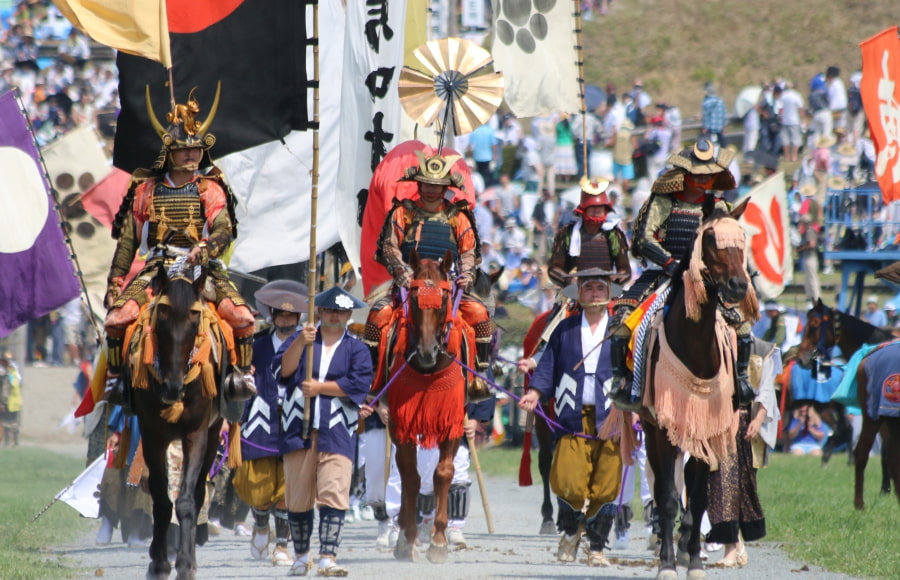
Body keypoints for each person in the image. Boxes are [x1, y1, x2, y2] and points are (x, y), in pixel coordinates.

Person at [103, 87, 256, 401]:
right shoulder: (145, 190)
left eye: (197, 150)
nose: (192, 156)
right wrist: (116, 281)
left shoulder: (210, 189)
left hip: (202, 269)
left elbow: (223, 230)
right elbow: (128, 241)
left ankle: (241, 376)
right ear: (169, 152)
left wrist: (205, 249)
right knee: (117, 319)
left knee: (242, 317)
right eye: (185, 150)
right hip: (158, 267)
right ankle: (117, 379)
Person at [607, 139, 753, 411]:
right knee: (622, 322)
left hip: (707, 280)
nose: (703, 179)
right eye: (698, 174)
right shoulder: (664, 201)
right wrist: (670, 263)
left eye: (708, 174)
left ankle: (741, 382)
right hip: (663, 276)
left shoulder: (719, 206)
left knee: (742, 327)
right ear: (686, 174)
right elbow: (643, 239)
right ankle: (625, 383)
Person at [517, 268, 623, 568]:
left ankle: (597, 547)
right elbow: (548, 364)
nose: (594, 293)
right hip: (571, 414)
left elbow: (632, 370)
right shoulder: (564, 329)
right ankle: (571, 532)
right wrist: (536, 394)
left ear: (608, 295)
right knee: (567, 481)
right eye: (588, 288)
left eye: (600, 288)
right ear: (579, 294)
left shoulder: (621, 330)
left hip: (610, 415)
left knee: (605, 485)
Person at [365, 152, 493, 379]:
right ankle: (373, 373)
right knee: (378, 315)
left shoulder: (458, 215)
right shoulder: (403, 212)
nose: (431, 190)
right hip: (409, 282)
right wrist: (401, 272)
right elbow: (390, 247)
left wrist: (467, 275)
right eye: (427, 184)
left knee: (480, 314)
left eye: (438, 185)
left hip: (448, 284)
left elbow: (467, 251)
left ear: (446, 188)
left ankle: (480, 374)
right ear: (419, 184)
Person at [278, 286, 372, 577]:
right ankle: (301, 556)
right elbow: (282, 371)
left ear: (348, 314)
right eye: (329, 310)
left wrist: (320, 388)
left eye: (341, 311)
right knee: (298, 495)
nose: (334, 315)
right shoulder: (302, 338)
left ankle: (327, 557)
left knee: (334, 491)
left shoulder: (357, 348)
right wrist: (299, 343)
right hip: (298, 427)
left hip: (338, 429)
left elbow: (359, 384)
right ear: (319, 311)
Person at [233, 280, 309, 566]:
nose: (287, 319)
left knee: (288, 488)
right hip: (260, 418)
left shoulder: (307, 344)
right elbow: (239, 376)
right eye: (281, 314)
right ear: (273, 316)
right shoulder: (255, 344)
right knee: (259, 487)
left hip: (294, 417)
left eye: (291, 315)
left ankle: (281, 546)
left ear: (298, 317)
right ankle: (261, 524)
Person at [706, 335, 780, 568]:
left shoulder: (762, 349)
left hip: (747, 424)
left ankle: (737, 543)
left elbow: (767, 389)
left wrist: (758, 420)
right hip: (718, 423)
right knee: (721, 485)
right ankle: (730, 547)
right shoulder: (710, 342)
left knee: (743, 486)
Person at [547, 176, 631, 287]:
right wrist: (568, 280)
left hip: (605, 291)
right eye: (592, 207)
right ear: (583, 210)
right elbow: (554, 269)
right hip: (575, 292)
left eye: (600, 206)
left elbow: (625, 271)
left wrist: (614, 279)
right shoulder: (567, 234)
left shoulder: (614, 234)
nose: (597, 210)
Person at [796, 213, 821, 302]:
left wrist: (801, 248)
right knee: (808, 277)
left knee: (812, 277)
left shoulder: (809, 231)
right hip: (807, 256)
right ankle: (810, 295)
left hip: (810, 256)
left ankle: (815, 296)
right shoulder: (806, 231)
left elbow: (811, 243)